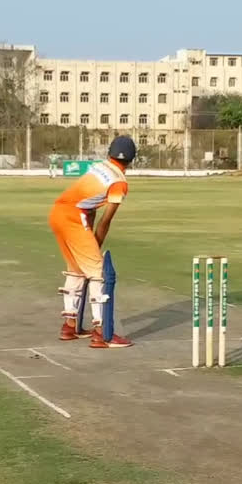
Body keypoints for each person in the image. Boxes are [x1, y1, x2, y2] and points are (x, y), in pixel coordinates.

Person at [49, 136, 136, 349]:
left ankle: (70, 327)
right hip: (74, 217)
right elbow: (105, 221)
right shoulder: (119, 183)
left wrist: (91, 241)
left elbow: (91, 209)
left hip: (57, 213)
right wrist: (96, 243)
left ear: (109, 153)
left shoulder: (99, 167)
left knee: (76, 270)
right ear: (132, 160)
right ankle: (102, 333)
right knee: (99, 274)